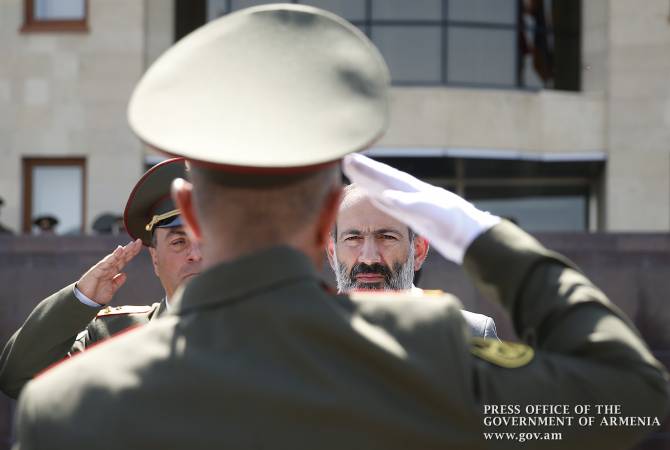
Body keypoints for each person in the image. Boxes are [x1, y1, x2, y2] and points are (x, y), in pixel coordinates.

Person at [13, 5, 669, 450]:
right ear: (331, 218)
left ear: (191, 208)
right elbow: (633, 401)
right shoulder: (422, 356)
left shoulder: (70, 406)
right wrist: (481, 237)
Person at [0, 158, 202, 399]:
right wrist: (80, 300)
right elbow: (18, 377)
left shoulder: (258, 333)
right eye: (179, 242)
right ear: (155, 259)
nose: (196, 254)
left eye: (207, 240)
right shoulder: (112, 336)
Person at [328, 183, 498, 338]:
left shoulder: (468, 332)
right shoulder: (306, 336)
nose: (369, 258)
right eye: (353, 238)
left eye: (387, 237)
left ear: (418, 251)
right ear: (331, 252)